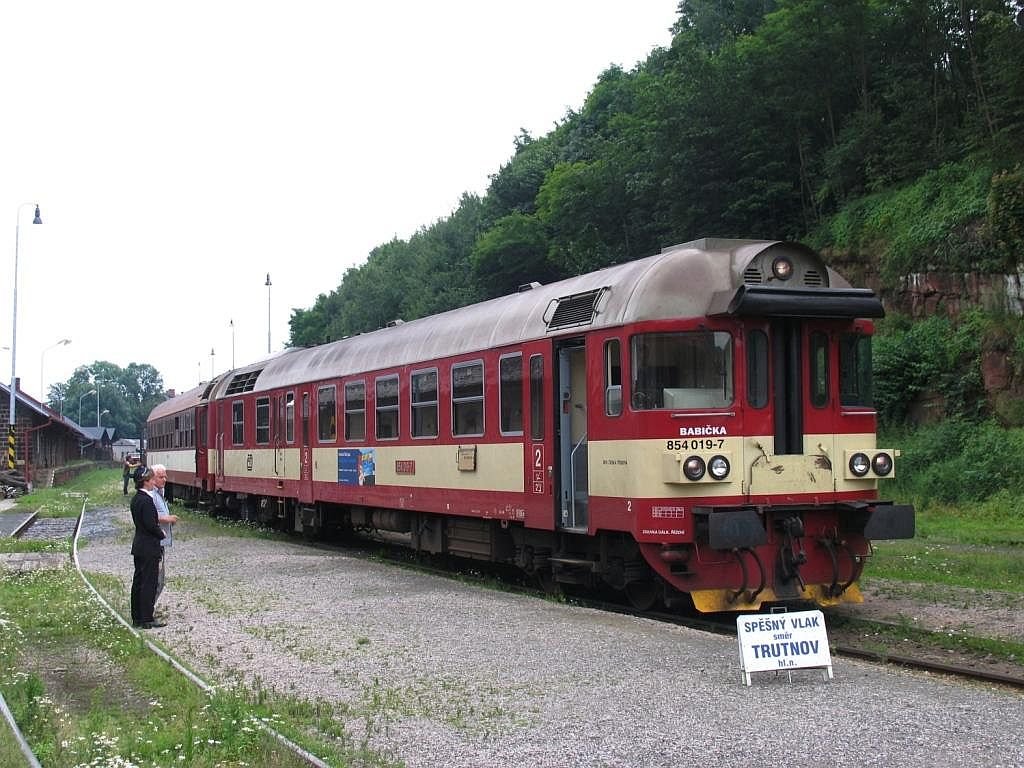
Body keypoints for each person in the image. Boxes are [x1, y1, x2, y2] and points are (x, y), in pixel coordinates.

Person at [129, 465, 168, 629]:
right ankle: (146, 618)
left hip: (139, 545)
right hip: (149, 547)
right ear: (145, 481)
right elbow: (151, 524)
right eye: (152, 479)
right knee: (148, 583)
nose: (154, 482)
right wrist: (162, 534)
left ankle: (137, 616)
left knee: (138, 581)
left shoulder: (136, 498)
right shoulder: (146, 500)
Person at [149, 464, 179, 600]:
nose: (165, 479)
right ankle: (148, 614)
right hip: (156, 542)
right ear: (153, 479)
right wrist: (168, 518)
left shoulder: (160, 493)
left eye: (165, 476)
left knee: (159, 579)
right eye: (161, 477)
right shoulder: (152, 495)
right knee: (156, 580)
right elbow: (151, 516)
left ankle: (149, 611)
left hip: (161, 541)